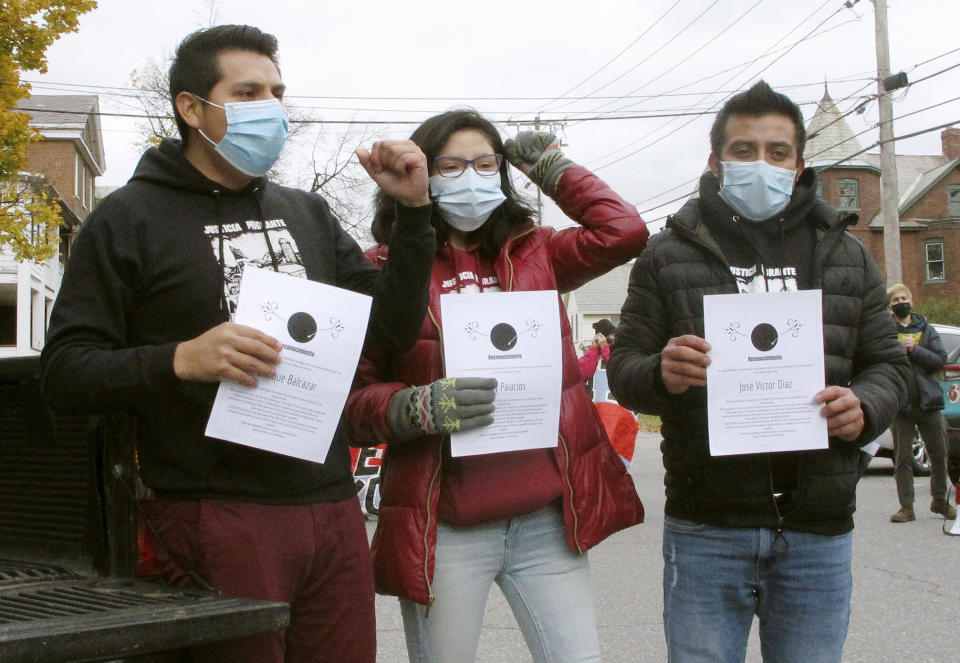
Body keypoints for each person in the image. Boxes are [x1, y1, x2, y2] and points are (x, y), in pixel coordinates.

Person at [39, 24, 436, 663]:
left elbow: (389, 331)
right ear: (192, 108)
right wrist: (178, 358)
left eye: (278, 92)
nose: (272, 109)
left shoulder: (306, 211)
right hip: (211, 515)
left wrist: (414, 215)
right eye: (248, 92)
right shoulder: (128, 218)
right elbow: (65, 372)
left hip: (330, 504)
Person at [607, 81, 909, 663]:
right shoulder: (669, 252)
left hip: (818, 526)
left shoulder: (847, 253)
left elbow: (887, 366)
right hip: (707, 525)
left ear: (799, 166)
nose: (761, 164)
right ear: (716, 162)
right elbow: (624, 369)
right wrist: (662, 372)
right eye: (744, 151)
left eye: (777, 152)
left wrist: (865, 405)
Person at [344, 109, 647, 663]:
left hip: (546, 522)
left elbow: (623, 231)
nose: (470, 178)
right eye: (451, 165)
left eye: (486, 165)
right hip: (447, 524)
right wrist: (412, 407)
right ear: (420, 174)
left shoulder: (539, 252)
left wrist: (554, 169)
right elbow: (354, 397)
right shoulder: (379, 269)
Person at [886, 283, 956, 522]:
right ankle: (906, 507)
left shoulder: (927, 329)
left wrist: (915, 350)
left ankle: (939, 500)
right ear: (890, 306)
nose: (900, 303)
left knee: (939, 453)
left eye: (903, 298)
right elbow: (879, 361)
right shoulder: (886, 331)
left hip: (929, 401)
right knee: (903, 458)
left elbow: (940, 361)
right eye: (895, 300)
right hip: (902, 403)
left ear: (911, 301)